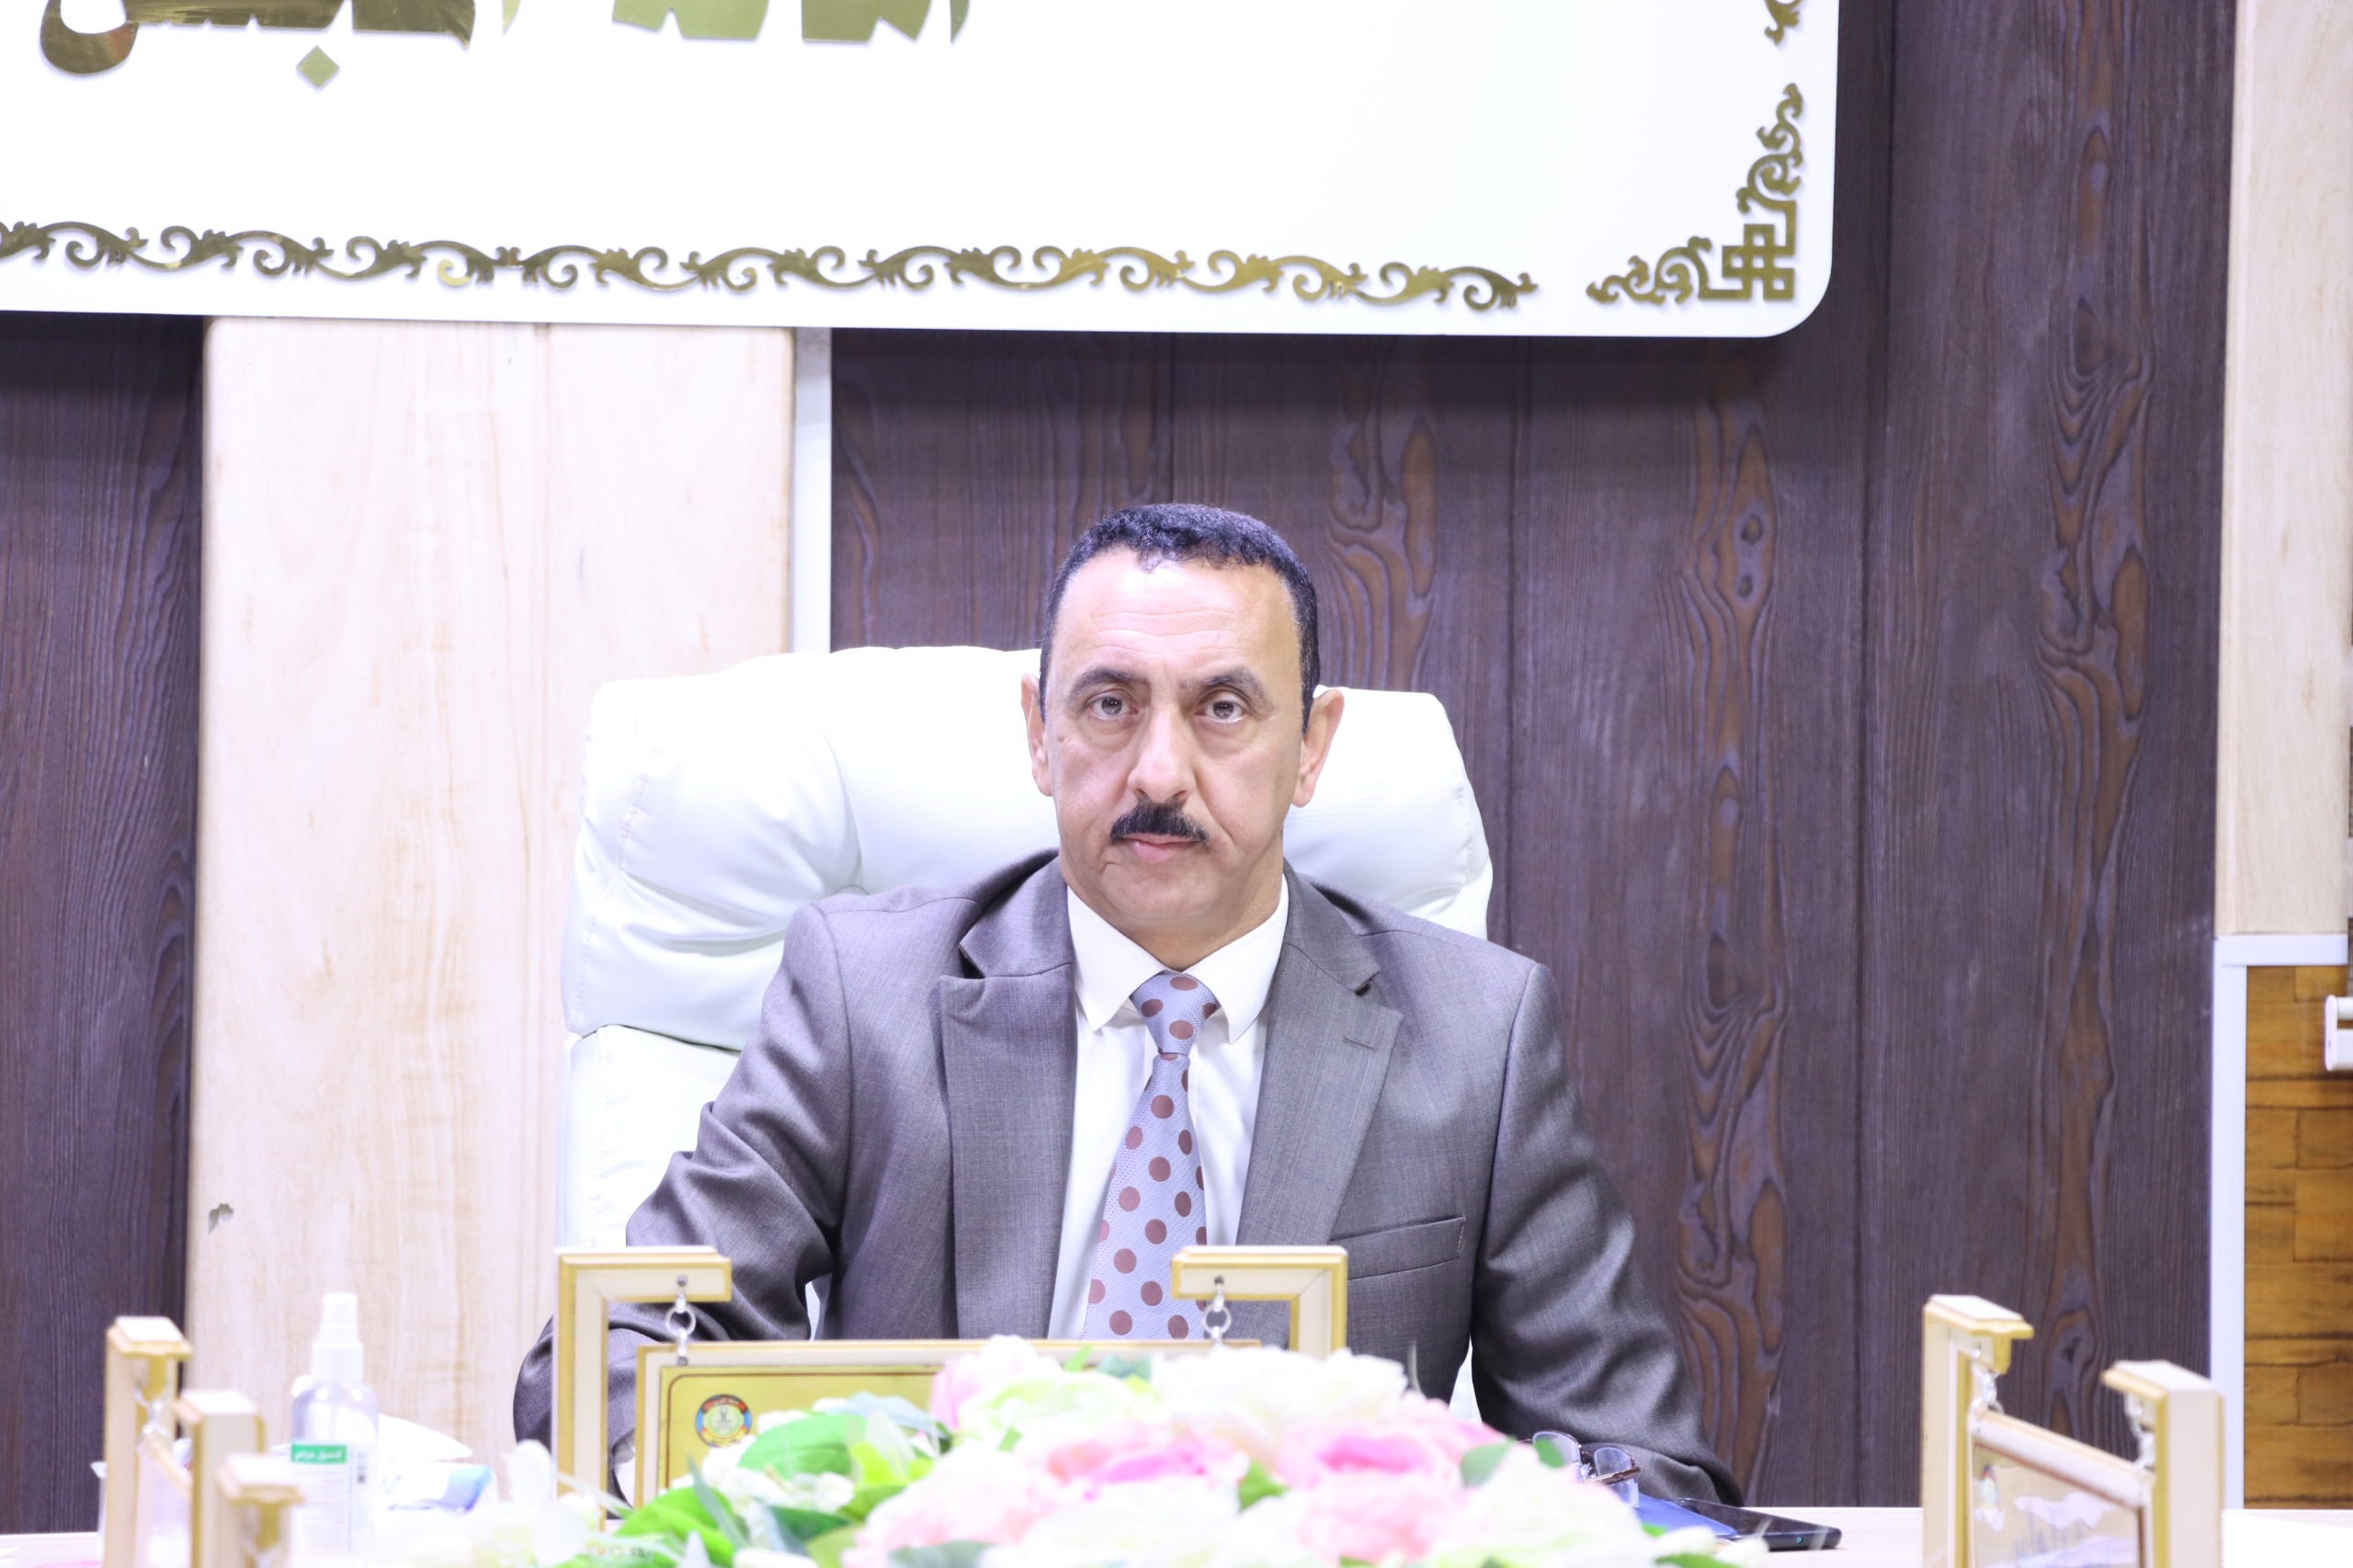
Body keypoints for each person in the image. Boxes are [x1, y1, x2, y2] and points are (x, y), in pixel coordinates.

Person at [513, 503, 1733, 1502]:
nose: (1158, 771)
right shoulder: (863, 995)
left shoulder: (1480, 1037)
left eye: (1222, 708)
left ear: (1312, 747)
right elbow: (613, 1355)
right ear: (1040, 734)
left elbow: (1635, 1458)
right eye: (1109, 704)